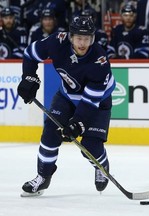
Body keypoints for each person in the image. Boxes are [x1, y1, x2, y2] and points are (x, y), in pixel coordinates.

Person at [17, 16, 116, 196]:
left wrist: (77, 123)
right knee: (50, 134)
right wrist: (28, 77)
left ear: (93, 38)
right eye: (79, 37)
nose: (83, 43)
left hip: (98, 101)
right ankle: (43, 177)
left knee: (90, 146)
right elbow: (30, 54)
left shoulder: (99, 61)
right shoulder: (57, 42)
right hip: (67, 96)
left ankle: (101, 166)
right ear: (71, 36)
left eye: (87, 38)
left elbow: (90, 101)